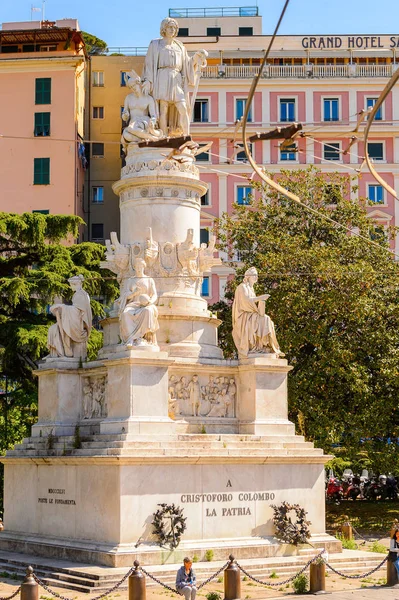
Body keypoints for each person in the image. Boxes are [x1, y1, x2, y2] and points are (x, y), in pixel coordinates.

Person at [142, 17, 207, 137]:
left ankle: (186, 136)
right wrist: (148, 81)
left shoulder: (180, 46)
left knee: (183, 107)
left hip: (176, 79)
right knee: (163, 109)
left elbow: (187, 64)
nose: (172, 29)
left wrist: (196, 58)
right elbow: (149, 64)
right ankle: (164, 136)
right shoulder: (155, 44)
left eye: (174, 28)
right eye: (170, 27)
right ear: (164, 28)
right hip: (161, 78)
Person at [232, 266, 283, 359]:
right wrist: (260, 298)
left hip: (251, 314)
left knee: (267, 319)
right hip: (244, 316)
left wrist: (260, 303)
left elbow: (252, 304)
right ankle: (258, 346)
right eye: (254, 275)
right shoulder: (242, 287)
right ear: (248, 276)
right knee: (264, 319)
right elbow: (245, 302)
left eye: (257, 275)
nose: (256, 277)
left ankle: (264, 346)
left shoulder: (251, 289)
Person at [47, 274, 92, 359]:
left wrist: (61, 306)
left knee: (55, 329)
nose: (71, 287)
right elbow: (75, 310)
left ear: (75, 284)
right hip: (74, 322)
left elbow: (77, 311)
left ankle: (62, 353)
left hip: (78, 324)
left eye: (71, 285)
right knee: (53, 329)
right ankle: (57, 353)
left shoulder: (81, 295)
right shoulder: (79, 294)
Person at [119, 258, 159, 347]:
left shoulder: (149, 280)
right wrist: (134, 293)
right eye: (137, 266)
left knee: (148, 311)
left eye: (141, 266)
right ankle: (131, 339)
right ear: (134, 267)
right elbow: (125, 295)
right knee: (125, 313)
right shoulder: (130, 280)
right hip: (133, 304)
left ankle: (141, 338)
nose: (139, 268)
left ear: (144, 267)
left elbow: (155, 295)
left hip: (146, 304)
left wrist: (149, 302)